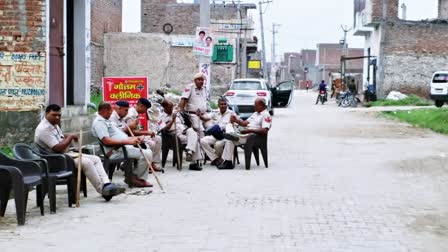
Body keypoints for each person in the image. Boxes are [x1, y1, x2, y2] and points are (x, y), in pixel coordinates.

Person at [34, 104, 126, 201]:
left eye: (59, 115)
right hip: (56, 160)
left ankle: (107, 184)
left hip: (65, 155)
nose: (57, 117)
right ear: (46, 113)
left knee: (96, 158)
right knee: (86, 162)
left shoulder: (53, 124)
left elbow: (59, 138)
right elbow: (58, 147)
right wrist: (70, 137)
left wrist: (69, 136)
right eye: (54, 115)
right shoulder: (43, 129)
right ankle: (102, 190)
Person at [92, 102, 153, 188]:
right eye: (110, 110)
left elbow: (119, 134)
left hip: (122, 148)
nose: (111, 112)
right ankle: (138, 179)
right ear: (104, 111)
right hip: (115, 151)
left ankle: (133, 177)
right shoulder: (99, 122)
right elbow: (106, 141)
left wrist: (134, 139)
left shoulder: (106, 120)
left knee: (148, 150)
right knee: (146, 153)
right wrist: (128, 142)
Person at [218, 98, 272, 170]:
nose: (254, 106)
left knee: (230, 139)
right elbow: (244, 123)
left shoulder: (266, 115)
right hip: (244, 133)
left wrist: (250, 130)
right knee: (229, 126)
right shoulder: (255, 113)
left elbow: (265, 130)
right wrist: (236, 120)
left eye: (255, 105)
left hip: (251, 137)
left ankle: (228, 162)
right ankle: (232, 136)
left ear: (261, 106)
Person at [160, 100, 203, 171]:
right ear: (164, 107)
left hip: (184, 131)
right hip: (175, 135)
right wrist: (172, 120)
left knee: (192, 131)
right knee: (195, 140)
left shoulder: (177, 114)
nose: (171, 109)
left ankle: (189, 151)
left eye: (172, 107)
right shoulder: (161, 117)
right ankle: (193, 163)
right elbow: (164, 130)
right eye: (170, 107)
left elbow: (185, 121)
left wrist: (197, 115)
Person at [123, 98, 163, 171]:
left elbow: (138, 129)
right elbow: (130, 132)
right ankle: (146, 165)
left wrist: (147, 132)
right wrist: (147, 132)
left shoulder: (136, 113)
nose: (145, 112)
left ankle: (153, 162)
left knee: (158, 138)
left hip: (138, 135)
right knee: (151, 143)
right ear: (141, 106)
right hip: (131, 137)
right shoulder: (131, 115)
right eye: (145, 109)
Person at [178, 73, 208, 166]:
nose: (201, 81)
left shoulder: (204, 89)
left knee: (212, 128)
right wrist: (182, 113)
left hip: (204, 115)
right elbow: (183, 100)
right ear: (195, 80)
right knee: (200, 131)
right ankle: (199, 155)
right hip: (193, 114)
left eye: (202, 79)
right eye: (199, 79)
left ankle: (205, 152)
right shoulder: (190, 87)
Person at [199, 98, 235, 167]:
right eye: (221, 104)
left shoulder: (231, 113)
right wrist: (200, 116)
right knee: (202, 141)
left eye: (225, 104)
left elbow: (235, 124)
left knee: (217, 145)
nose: (223, 105)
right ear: (218, 105)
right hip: (215, 135)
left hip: (225, 136)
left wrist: (233, 122)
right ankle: (215, 159)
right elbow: (206, 118)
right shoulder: (215, 112)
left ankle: (221, 159)